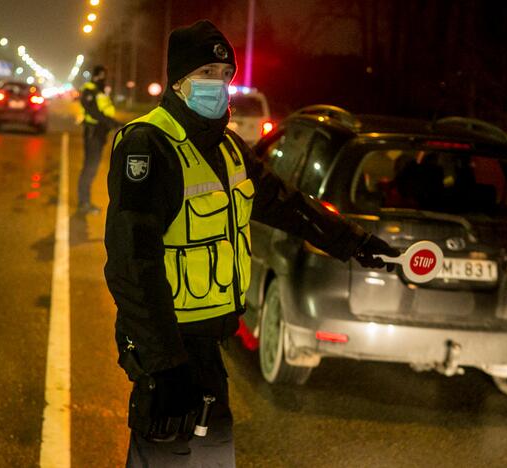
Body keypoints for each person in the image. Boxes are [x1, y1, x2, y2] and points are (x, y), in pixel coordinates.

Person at [103, 20, 398, 466]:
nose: (219, 87)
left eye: (225, 76)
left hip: (209, 350)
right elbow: (131, 264)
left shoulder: (229, 148)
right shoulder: (149, 146)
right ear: (179, 81)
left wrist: (353, 242)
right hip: (168, 349)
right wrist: (165, 366)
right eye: (207, 74)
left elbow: (286, 204)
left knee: (215, 459)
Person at [79, 65, 121, 214]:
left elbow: (104, 109)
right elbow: (94, 111)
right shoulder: (89, 90)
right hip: (93, 133)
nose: (103, 78)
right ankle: (84, 202)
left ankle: (85, 201)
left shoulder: (100, 90)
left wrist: (113, 123)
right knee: (89, 168)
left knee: (92, 168)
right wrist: (112, 123)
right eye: (102, 75)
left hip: (99, 134)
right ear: (97, 75)